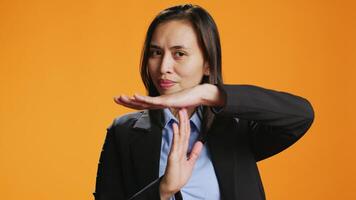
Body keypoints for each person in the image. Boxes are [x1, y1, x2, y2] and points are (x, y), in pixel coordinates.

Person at [93, 4, 314, 200]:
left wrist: (209, 93)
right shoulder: (123, 133)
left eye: (179, 53)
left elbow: (301, 116)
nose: (163, 67)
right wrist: (162, 189)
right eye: (156, 53)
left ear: (207, 63)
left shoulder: (237, 127)